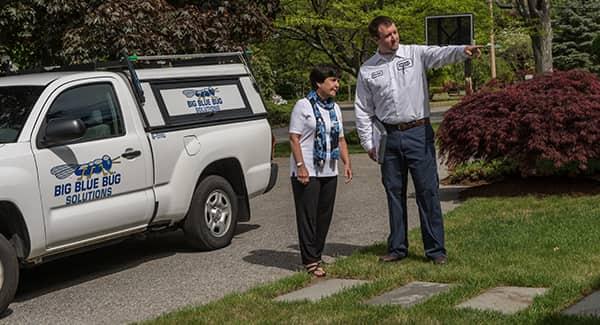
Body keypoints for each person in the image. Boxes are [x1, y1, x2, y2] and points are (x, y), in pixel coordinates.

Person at [354, 16, 481, 265]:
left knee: (427, 192)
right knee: (394, 193)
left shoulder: (414, 54)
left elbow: (440, 54)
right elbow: (362, 109)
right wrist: (368, 142)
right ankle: (397, 247)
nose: (394, 38)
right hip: (388, 138)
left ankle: (435, 250)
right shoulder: (368, 69)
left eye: (395, 32)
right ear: (376, 39)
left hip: (418, 133)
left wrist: (462, 51)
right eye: (388, 35)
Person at [289, 64, 353, 277]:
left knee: (324, 215)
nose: (337, 84)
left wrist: (346, 163)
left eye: (337, 80)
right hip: (307, 169)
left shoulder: (334, 108)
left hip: (329, 169)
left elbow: (340, 138)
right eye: (332, 80)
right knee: (308, 216)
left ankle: (317, 254)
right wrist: (300, 166)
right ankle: (310, 260)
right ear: (319, 83)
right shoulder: (303, 105)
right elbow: (294, 138)